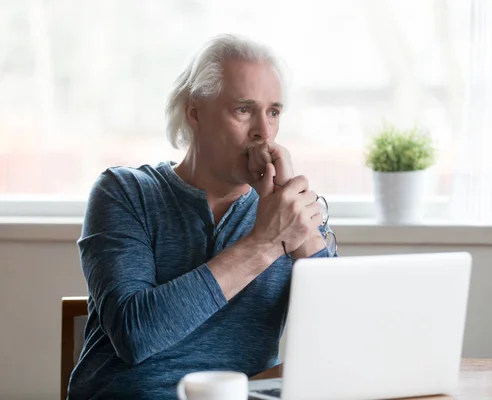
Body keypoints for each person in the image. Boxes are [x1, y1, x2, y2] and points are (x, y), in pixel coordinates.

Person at [68, 34, 337, 400]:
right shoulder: (124, 192)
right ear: (194, 112)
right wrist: (264, 244)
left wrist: (292, 209)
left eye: (273, 111)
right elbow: (135, 335)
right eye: (244, 109)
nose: (264, 131)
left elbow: (341, 336)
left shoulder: (287, 214)